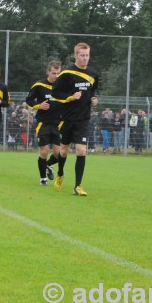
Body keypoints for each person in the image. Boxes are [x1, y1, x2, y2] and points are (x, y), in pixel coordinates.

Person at [51, 42, 99, 196]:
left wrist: (94, 99)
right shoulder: (67, 74)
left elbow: (93, 92)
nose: (85, 58)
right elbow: (55, 93)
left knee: (81, 150)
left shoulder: (93, 74)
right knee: (63, 151)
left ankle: (78, 186)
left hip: (83, 118)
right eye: (82, 55)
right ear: (76, 55)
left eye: (87, 55)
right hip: (67, 118)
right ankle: (60, 173)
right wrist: (70, 97)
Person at [26, 60, 62, 186]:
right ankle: (43, 179)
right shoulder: (39, 85)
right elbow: (28, 100)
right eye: (54, 73)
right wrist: (38, 106)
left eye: (58, 73)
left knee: (59, 154)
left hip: (57, 124)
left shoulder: (62, 86)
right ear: (48, 72)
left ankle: (48, 165)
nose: (56, 76)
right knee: (44, 151)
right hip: (43, 123)